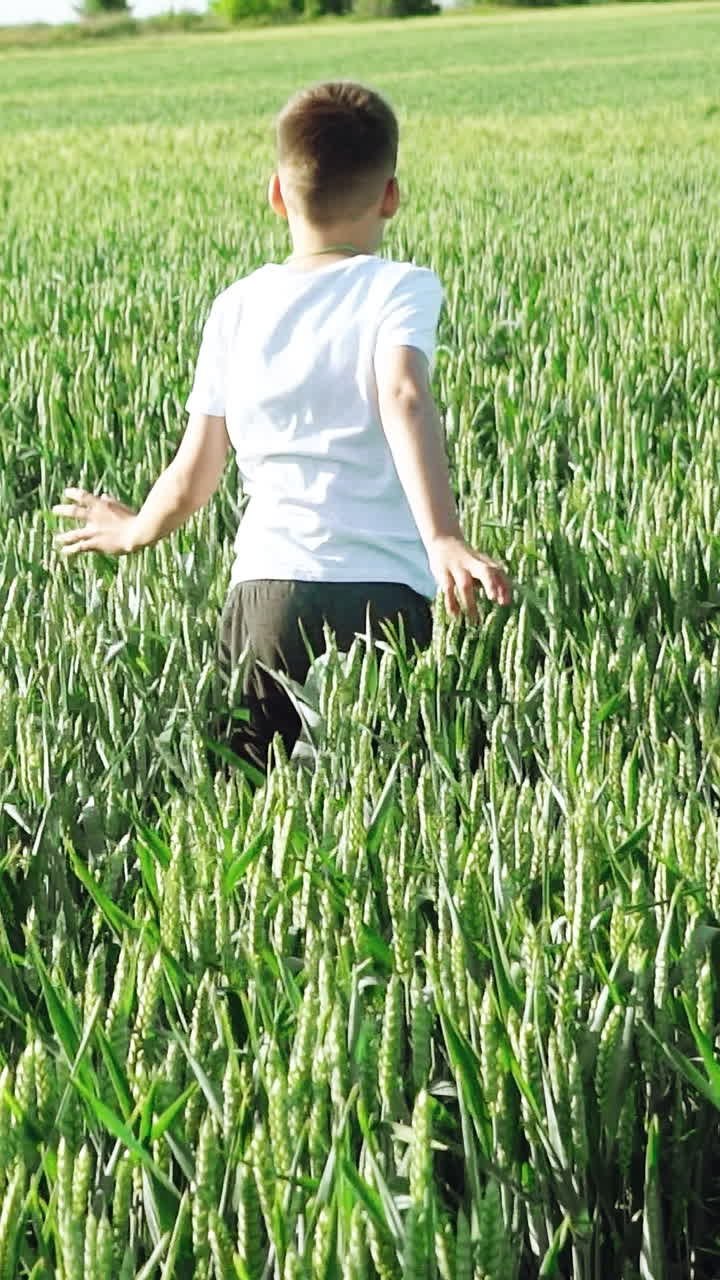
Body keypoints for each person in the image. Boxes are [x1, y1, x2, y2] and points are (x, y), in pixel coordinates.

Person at [52, 81, 511, 775]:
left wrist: (133, 528)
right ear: (390, 195)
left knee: (254, 798)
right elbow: (404, 393)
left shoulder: (236, 306)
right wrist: (443, 536)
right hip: (383, 591)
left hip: (267, 595)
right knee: (393, 793)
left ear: (276, 194)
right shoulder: (399, 286)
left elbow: (195, 470)